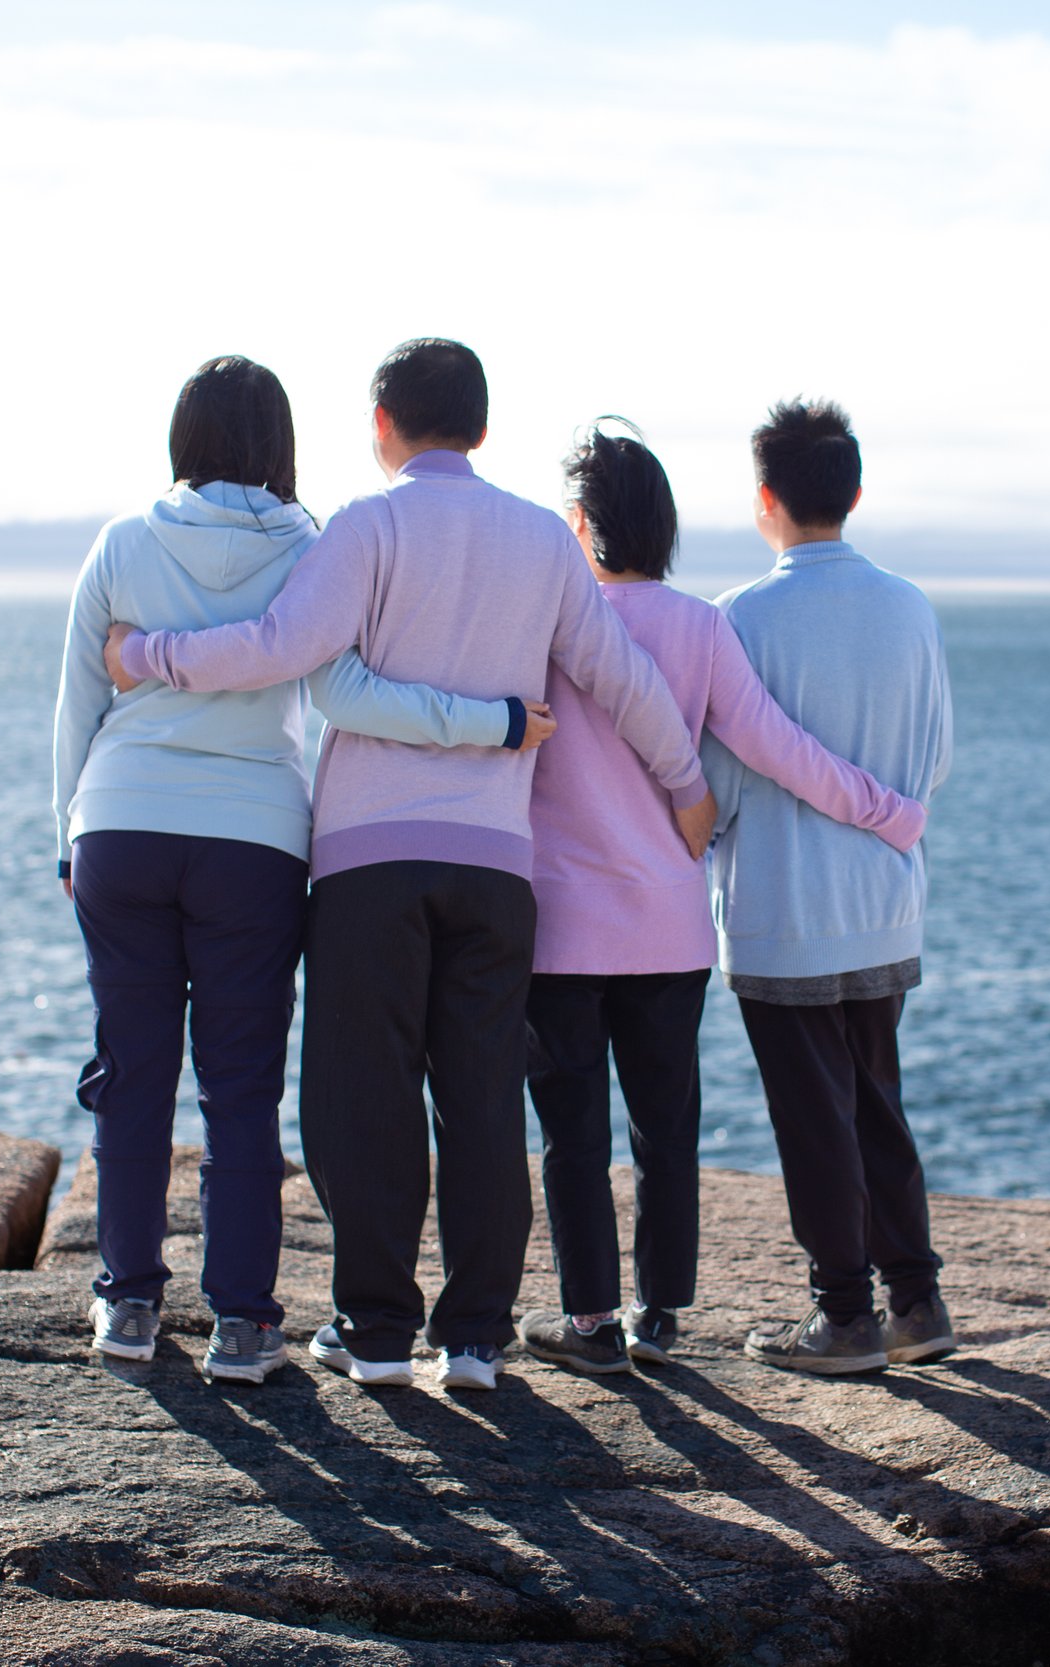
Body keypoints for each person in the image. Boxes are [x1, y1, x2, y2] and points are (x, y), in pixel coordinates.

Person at [106, 339, 711, 1393]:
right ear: (479, 427)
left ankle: (376, 1328)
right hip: (492, 864)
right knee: (480, 1096)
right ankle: (474, 1335)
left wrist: (145, 657)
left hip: (365, 861)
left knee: (359, 1096)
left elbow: (279, 645)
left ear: (382, 421)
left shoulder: (365, 526)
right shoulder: (539, 539)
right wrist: (686, 785)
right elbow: (620, 674)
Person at [53, 354, 551, 1386]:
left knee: (133, 1075)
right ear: (283, 445)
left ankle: (130, 1306)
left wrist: (71, 833)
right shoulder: (317, 548)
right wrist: (494, 723)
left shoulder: (122, 542)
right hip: (256, 839)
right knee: (241, 1091)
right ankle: (243, 1321)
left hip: (124, 820)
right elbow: (339, 689)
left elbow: (77, 706)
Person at [512, 421, 926, 1377]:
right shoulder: (703, 626)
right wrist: (887, 809)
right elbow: (777, 748)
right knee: (667, 1128)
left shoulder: (541, 628)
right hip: (669, 927)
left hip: (562, 927)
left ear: (579, 526)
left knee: (572, 1134)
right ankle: (660, 1316)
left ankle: (589, 1325)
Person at [705, 399, 957, 1376]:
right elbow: (932, 761)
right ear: (854, 491)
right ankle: (917, 1298)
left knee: (812, 1115)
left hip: (783, 903)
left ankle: (843, 1314)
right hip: (885, 899)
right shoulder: (910, 605)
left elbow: (720, 778)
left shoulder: (739, 617)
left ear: (765, 498)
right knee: (876, 1100)